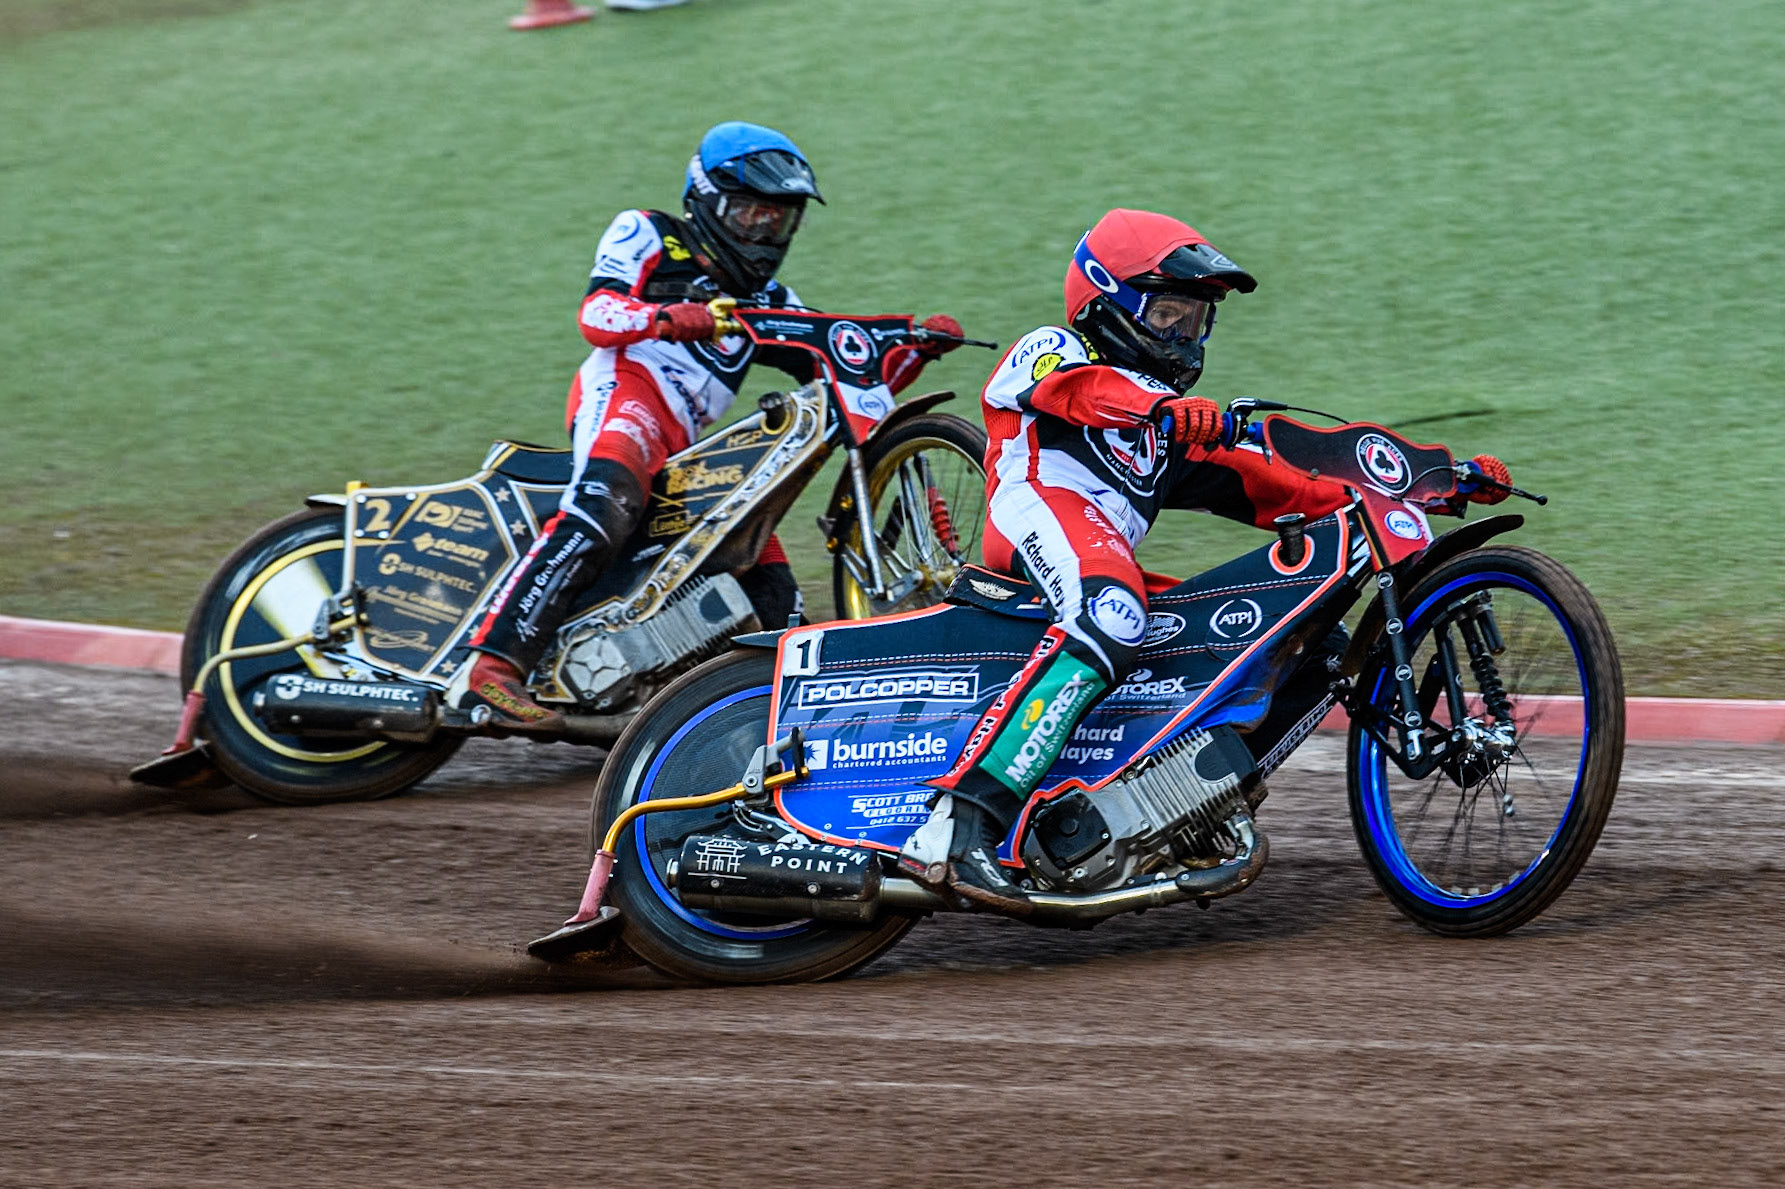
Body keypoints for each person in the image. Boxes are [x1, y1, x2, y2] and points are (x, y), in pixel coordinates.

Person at [902, 208, 1512, 914]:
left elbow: (1290, 482)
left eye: (1193, 321)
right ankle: (957, 822)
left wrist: (1433, 483)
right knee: (1113, 612)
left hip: (1102, 562)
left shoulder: (1170, 431)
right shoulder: (1051, 349)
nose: (1182, 337)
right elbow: (1083, 393)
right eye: (1165, 314)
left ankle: (1186, 803)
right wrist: (1158, 407)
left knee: (1305, 643)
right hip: (1033, 530)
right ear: (1106, 304)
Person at [456, 122, 962, 731]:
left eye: (778, 220)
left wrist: (914, 350)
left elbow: (844, 379)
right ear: (708, 199)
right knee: (605, 503)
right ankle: (495, 667)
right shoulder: (646, 231)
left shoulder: (772, 298)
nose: (763, 232)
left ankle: (781, 721)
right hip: (625, 399)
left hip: (689, 448)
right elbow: (597, 313)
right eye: (750, 214)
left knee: (770, 582)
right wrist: (672, 317)